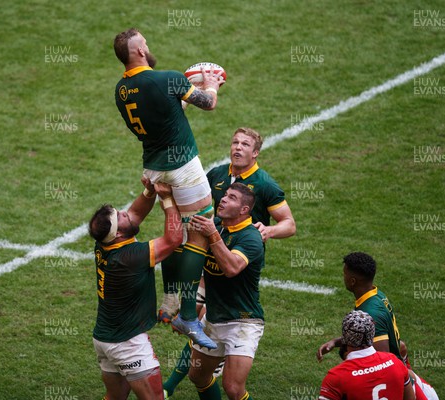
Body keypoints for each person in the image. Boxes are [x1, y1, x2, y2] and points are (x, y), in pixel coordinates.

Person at [162, 127, 296, 397]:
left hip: (242, 257)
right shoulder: (217, 175)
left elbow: (289, 224)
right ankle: (176, 378)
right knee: (197, 335)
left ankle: (169, 386)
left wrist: (267, 231)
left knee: (232, 386)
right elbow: (200, 210)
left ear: (255, 152)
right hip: (213, 255)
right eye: (235, 142)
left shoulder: (265, 185)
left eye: (245, 144)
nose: (238, 147)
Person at [114, 28, 225, 349]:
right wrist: (211, 86)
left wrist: (184, 92)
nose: (149, 48)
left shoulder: (121, 90)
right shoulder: (167, 78)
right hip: (183, 167)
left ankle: (171, 297)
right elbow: (208, 104)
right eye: (144, 44)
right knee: (202, 232)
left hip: (154, 167)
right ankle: (187, 314)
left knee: (175, 232)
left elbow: (164, 115)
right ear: (137, 52)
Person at [88, 179, 182, 400]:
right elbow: (174, 239)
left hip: (104, 339)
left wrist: (149, 191)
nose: (125, 212)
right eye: (120, 216)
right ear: (119, 234)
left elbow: (135, 215)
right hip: (127, 343)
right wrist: (167, 199)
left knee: (115, 397)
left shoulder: (105, 242)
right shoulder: (130, 257)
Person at [316, 252, 439, 400]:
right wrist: (336, 342)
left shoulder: (370, 312)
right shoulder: (377, 295)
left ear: (353, 281)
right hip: (404, 376)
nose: (343, 277)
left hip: (400, 386)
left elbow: (380, 361)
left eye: (344, 274)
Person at [184, 182, 265, 400]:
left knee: (233, 388)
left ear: (244, 210)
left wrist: (213, 235)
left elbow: (231, 268)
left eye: (232, 198)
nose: (223, 199)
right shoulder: (218, 225)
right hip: (213, 318)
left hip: (243, 322)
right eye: (225, 195)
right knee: (197, 376)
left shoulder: (250, 237)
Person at [318, 310, 416, 400]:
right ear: (372, 334)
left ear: (345, 338)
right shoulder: (395, 362)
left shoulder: (336, 377)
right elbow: (411, 398)